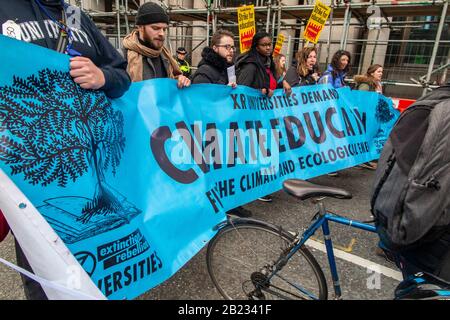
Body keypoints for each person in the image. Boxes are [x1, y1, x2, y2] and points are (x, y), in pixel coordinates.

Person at [0, 0, 132, 300]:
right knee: (48, 275)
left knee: (100, 271)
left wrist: (103, 77)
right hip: (32, 178)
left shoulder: (76, 16)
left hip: (91, 167)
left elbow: (122, 75)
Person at [191, 30, 251, 218]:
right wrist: (220, 96)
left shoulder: (229, 69)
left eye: (232, 47)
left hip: (226, 129)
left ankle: (231, 203)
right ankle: (213, 207)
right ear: (215, 48)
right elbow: (197, 104)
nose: (231, 50)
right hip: (211, 132)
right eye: (226, 47)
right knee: (214, 172)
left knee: (230, 168)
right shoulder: (205, 72)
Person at [235, 31, 291, 202]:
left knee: (269, 150)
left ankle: (266, 183)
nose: (268, 47)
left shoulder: (268, 63)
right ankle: (256, 188)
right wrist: (261, 92)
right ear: (256, 46)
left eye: (270, 44)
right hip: (252, 117)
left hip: (266, 115)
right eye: (264, 45)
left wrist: (283, 82)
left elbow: (273, 78)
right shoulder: (251, 65)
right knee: (256, 153)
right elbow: (241, 90)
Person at [122, 1, 190, 88]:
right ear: (140, 27)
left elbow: (174, 81)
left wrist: (181, 80)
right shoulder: (121, 57)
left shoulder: (166, 56)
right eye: (155, 28)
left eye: (164, 29)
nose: (162, 33)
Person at [353, 64, 384, 171]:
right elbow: (360, 99)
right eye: (378, 71)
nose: (381, 73)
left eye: (381, 71)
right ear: (372, 73)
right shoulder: (366, 84)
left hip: (371, 116)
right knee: (363, 137)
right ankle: (359, 160)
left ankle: (363, 159)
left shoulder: (376, 84)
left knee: (368, 137)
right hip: (364, 116)